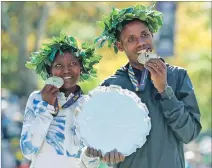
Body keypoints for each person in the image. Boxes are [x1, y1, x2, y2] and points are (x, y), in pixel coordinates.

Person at [91, 4, 202, 168]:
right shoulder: (111, 85)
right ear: (120, 46)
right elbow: (100, 138)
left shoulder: (178, 77)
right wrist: (105, 151)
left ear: (153, 35)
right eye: (131, 39)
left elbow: (189, 134)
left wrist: (165, 91)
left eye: (145, 35)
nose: (141, 43)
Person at [20, 32, 103, 168]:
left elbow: (90, 164)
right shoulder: (37, 98)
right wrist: (46, 106)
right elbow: (28, 151)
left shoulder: (89, 105)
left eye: (72, 63)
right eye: (58, 65)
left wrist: (90, 155)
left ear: (81, 68)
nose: (66, 70)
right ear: (49, 70)